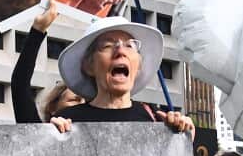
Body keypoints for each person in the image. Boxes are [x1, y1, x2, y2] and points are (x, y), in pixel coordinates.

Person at [50, 16, 193, 136]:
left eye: (130, 46)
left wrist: (182, 137)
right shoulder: (68, 120)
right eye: (107, 46)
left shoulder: (156, 120)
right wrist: (48, 138)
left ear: (138, 67)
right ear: (89, 66)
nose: (120, 51)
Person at [11, 1, 83, 124]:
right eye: (74, 100)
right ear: (52, 108)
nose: (82, 106)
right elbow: (20, 85)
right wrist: (38, 29)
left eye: (86, 103)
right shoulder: (36, 133)